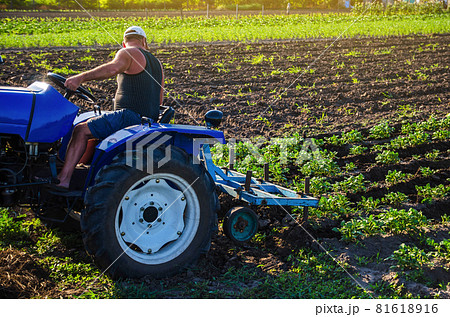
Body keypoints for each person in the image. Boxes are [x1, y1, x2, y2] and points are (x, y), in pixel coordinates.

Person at [56, 26, 164, 189]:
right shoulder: (157, 64)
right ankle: (81, 173)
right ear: (144, 41)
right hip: (147, 119)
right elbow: (160, 99)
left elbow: (113, 68)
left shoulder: (128, 52)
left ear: (123, 43)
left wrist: (81, 77)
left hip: (129, 117)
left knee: (80, 130)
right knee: (92, 131)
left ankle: (63, 179)